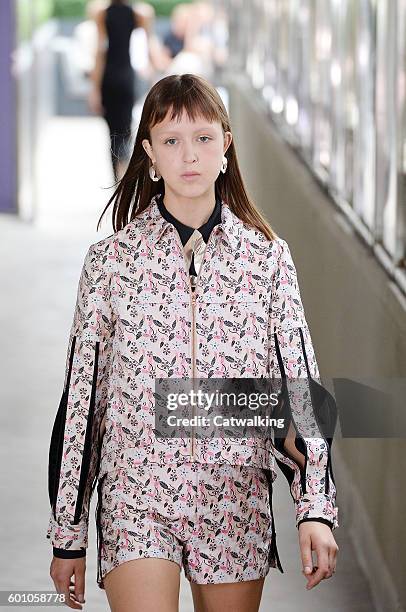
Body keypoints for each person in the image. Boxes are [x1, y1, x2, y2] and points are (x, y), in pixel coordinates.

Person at [47, 73, 339, 611]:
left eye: (203, 138)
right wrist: (69, 532)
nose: (189, 156)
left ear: (225, 145)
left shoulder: (269, 260)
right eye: (171, 140)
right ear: (149, 153)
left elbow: (302, 394)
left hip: (233, 498)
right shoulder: (111, 263)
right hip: (136, 493)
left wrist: (315, 507)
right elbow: (82, 402)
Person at [88, 0, 152, 181]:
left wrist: (94, 89)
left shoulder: (102, 13)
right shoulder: (140, 14)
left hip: (108, 79)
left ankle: (117, 179)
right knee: (125, 131)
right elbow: (150, 48)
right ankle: (124, 177)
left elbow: (100, 51)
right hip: (126, 77)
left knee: (113, 134)